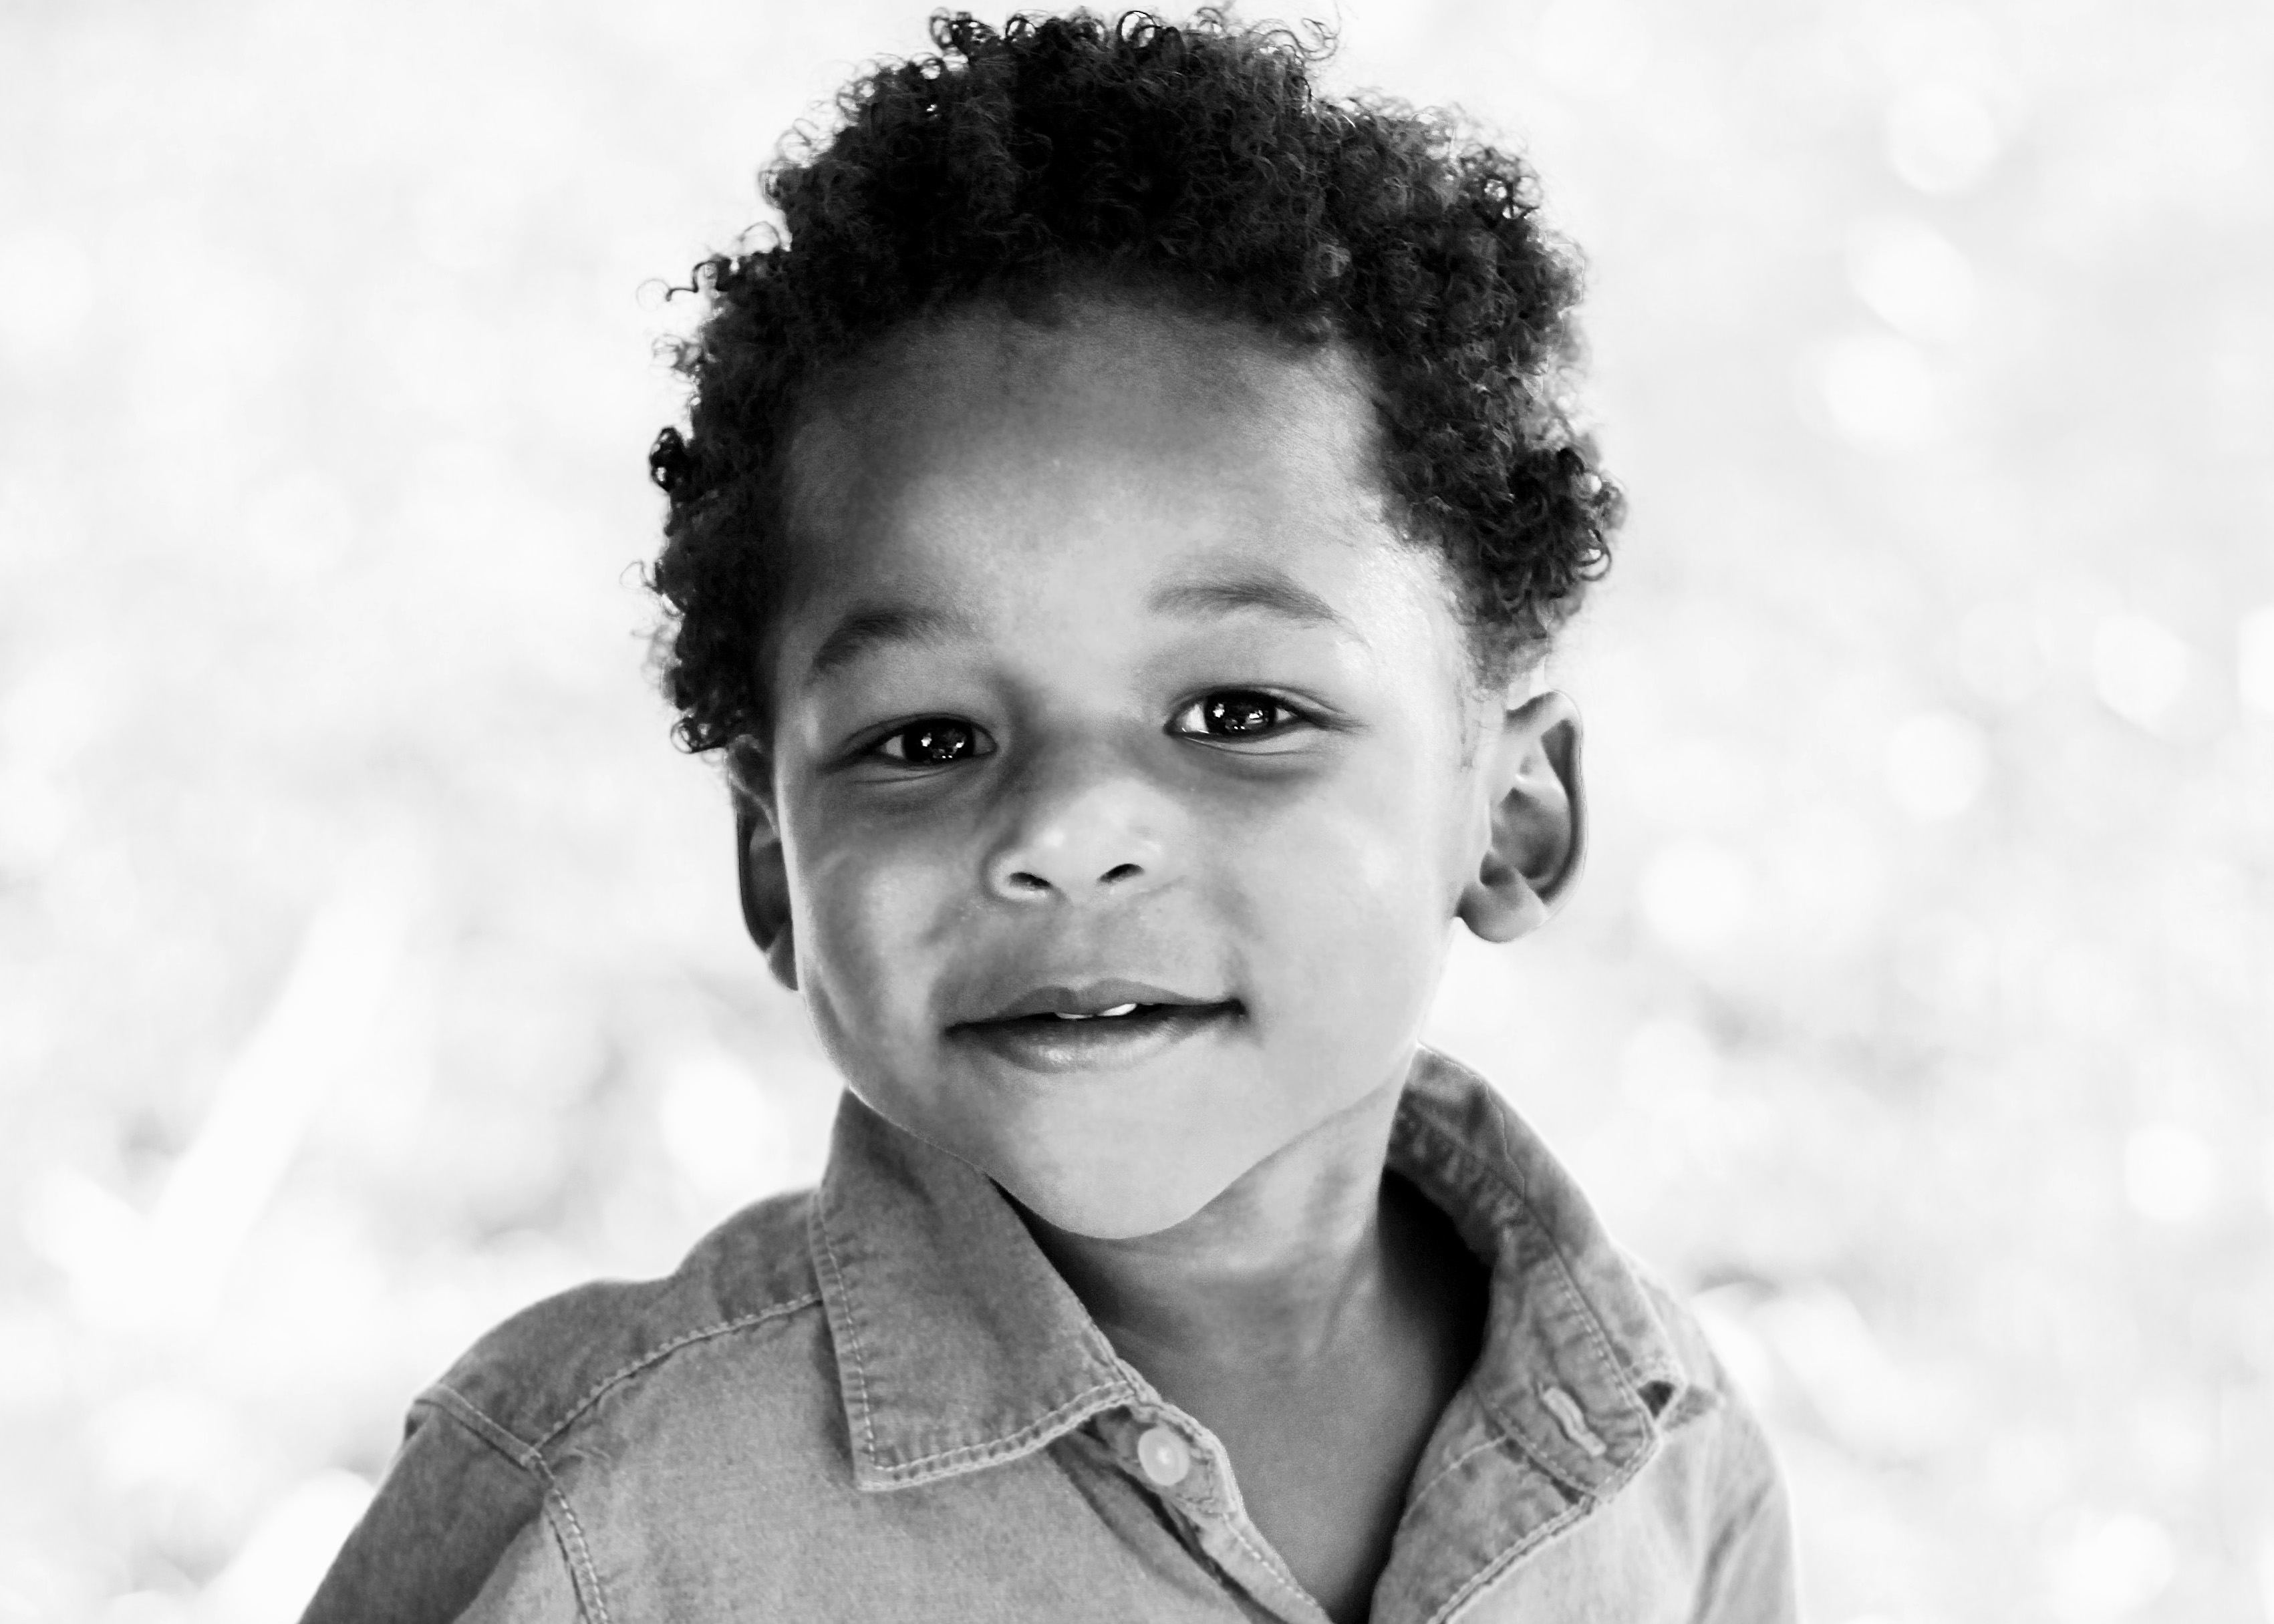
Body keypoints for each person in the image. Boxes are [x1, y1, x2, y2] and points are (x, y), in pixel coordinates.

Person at [304, 11, 1796, 1621]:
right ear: (772, 858)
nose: (1069, 829)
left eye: (1238, 714)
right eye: (926, 737)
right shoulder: (606, 1504)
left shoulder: (1670, 1465)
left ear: (1509, 815)